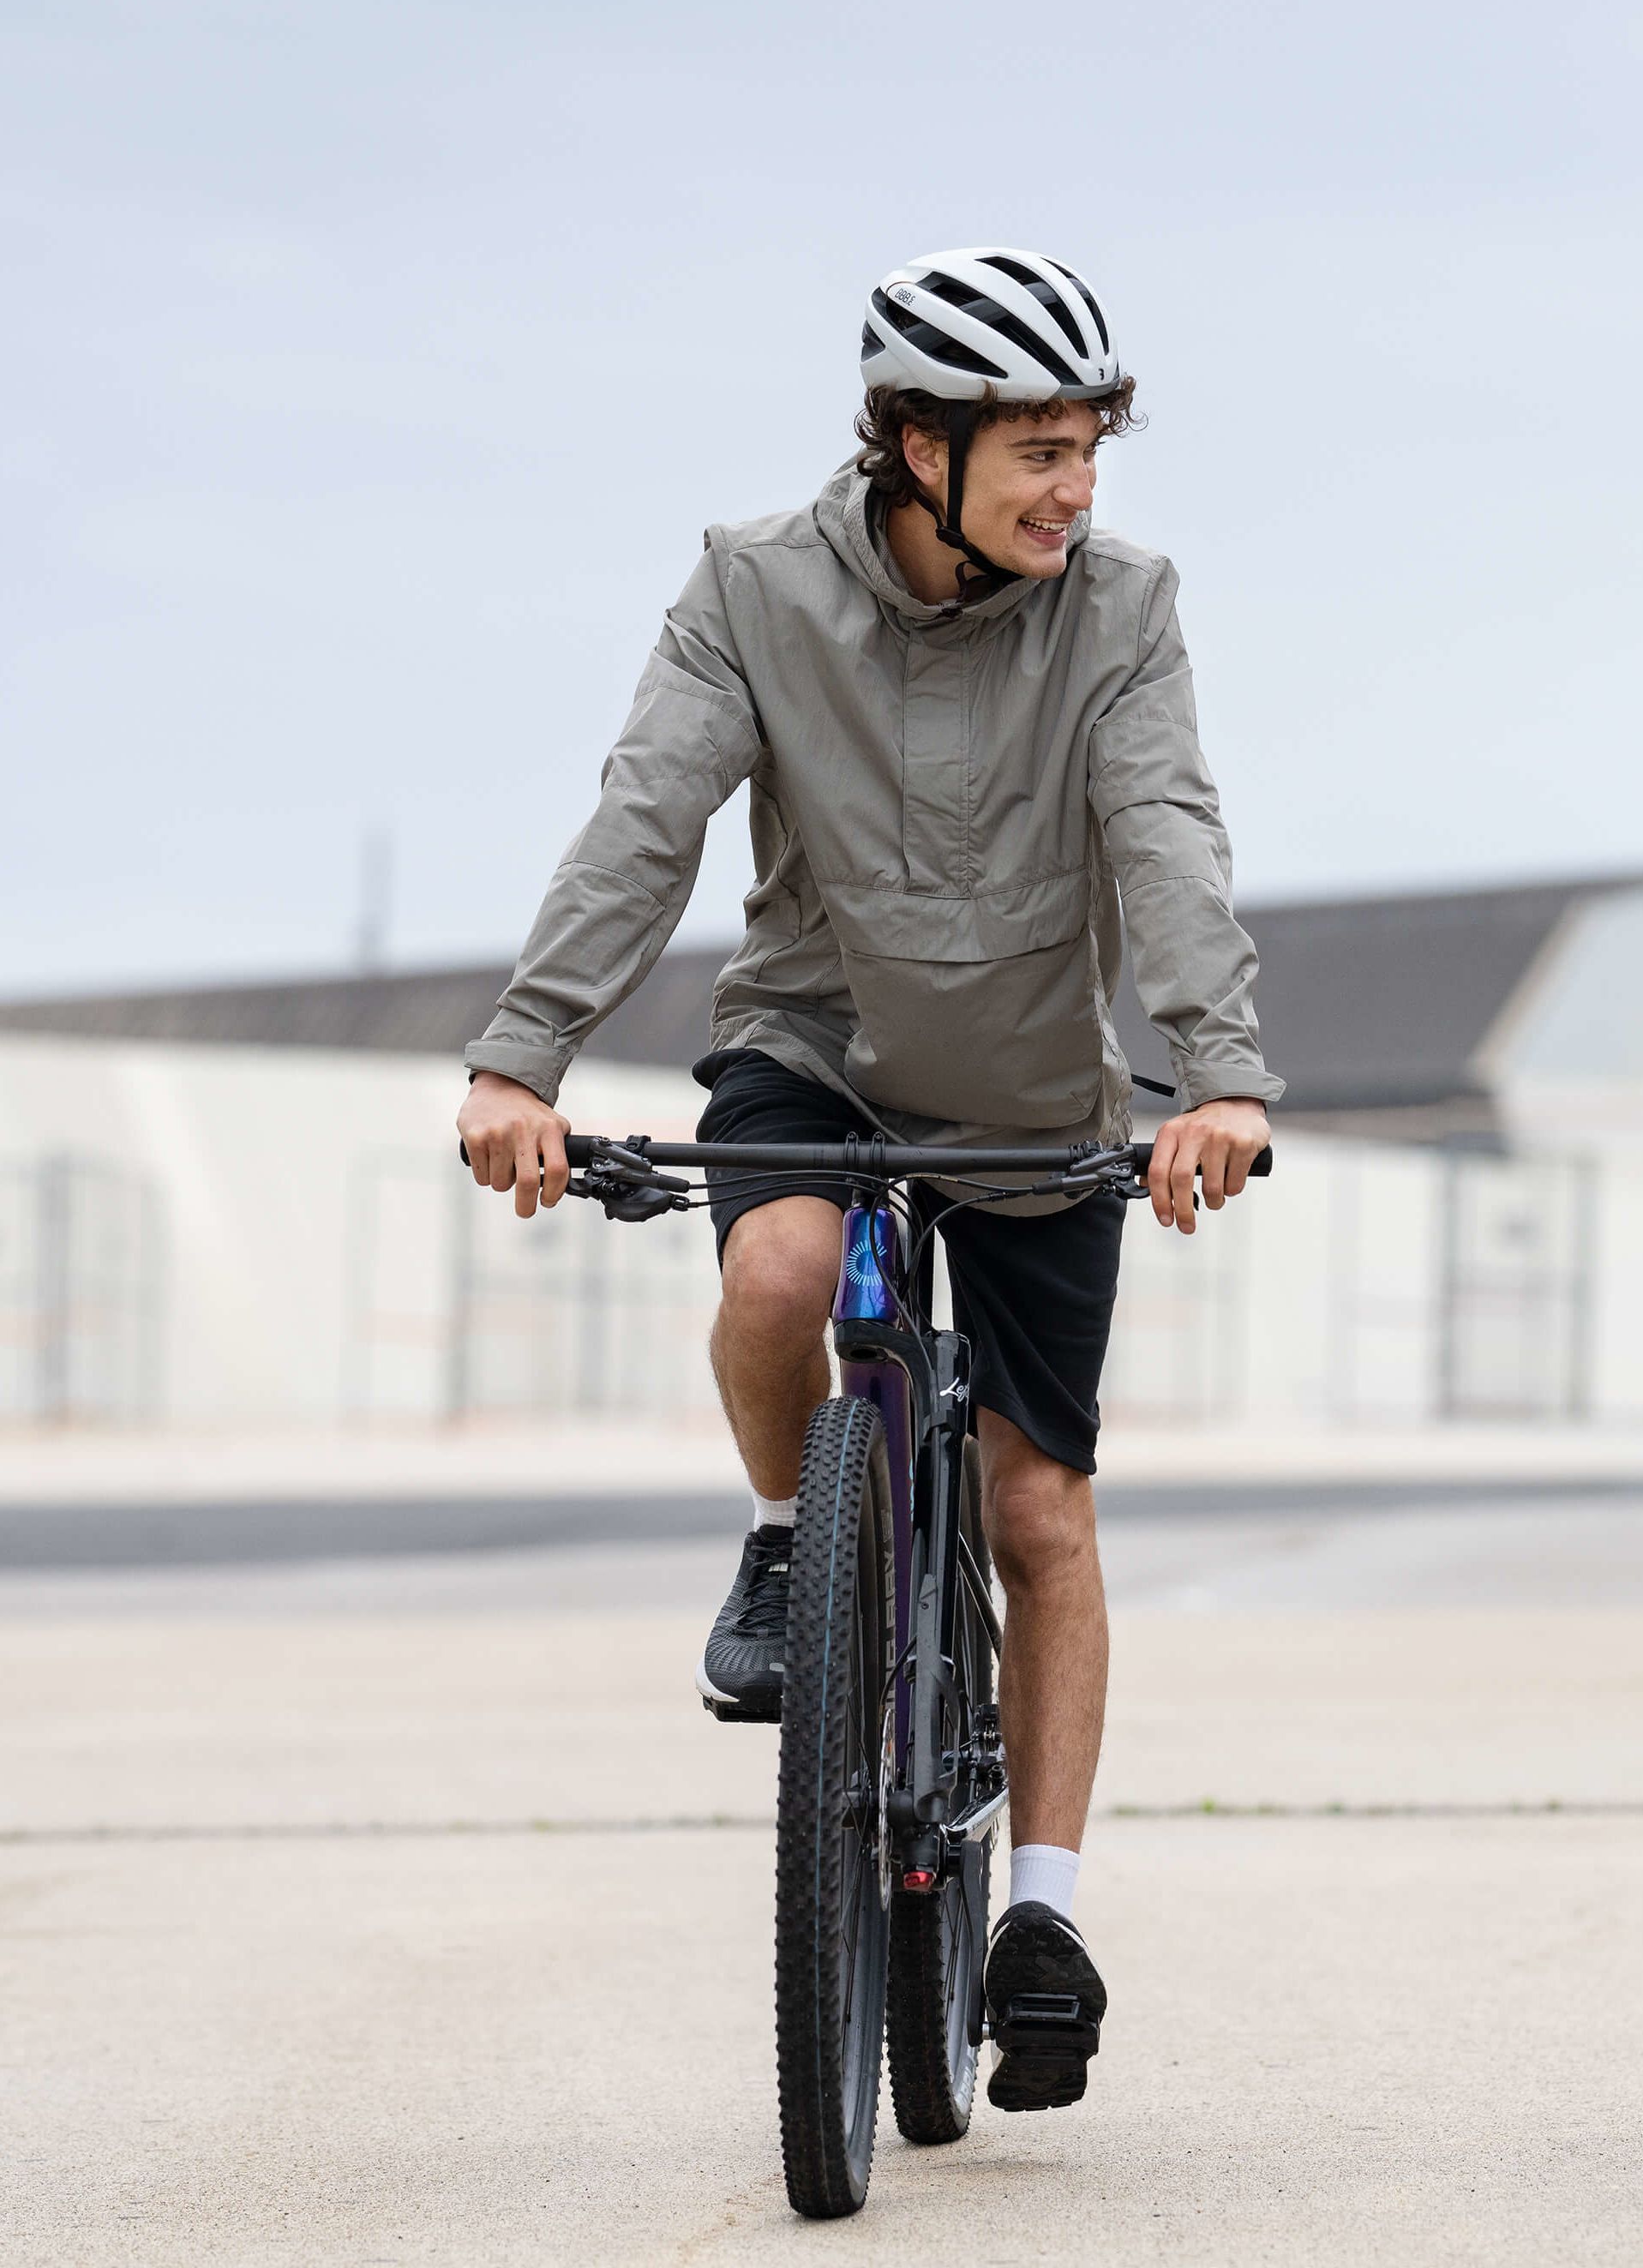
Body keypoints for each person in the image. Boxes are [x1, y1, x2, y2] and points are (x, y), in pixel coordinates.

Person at [455, 247, 1280, 2110]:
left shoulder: (1124, 610)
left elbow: (1167, 838)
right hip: (815, 1044)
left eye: (1090, 450)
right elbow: (647, 817)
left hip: (1027, 1091)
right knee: (773, 1282)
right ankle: (788, 1540)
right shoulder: (755, 589)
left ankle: (1044, 1911)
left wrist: (1214, 1077)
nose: (1076, 490)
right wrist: (528, 1052)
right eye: (1040, 452)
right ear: (918, 445)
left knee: (1038, 1510)